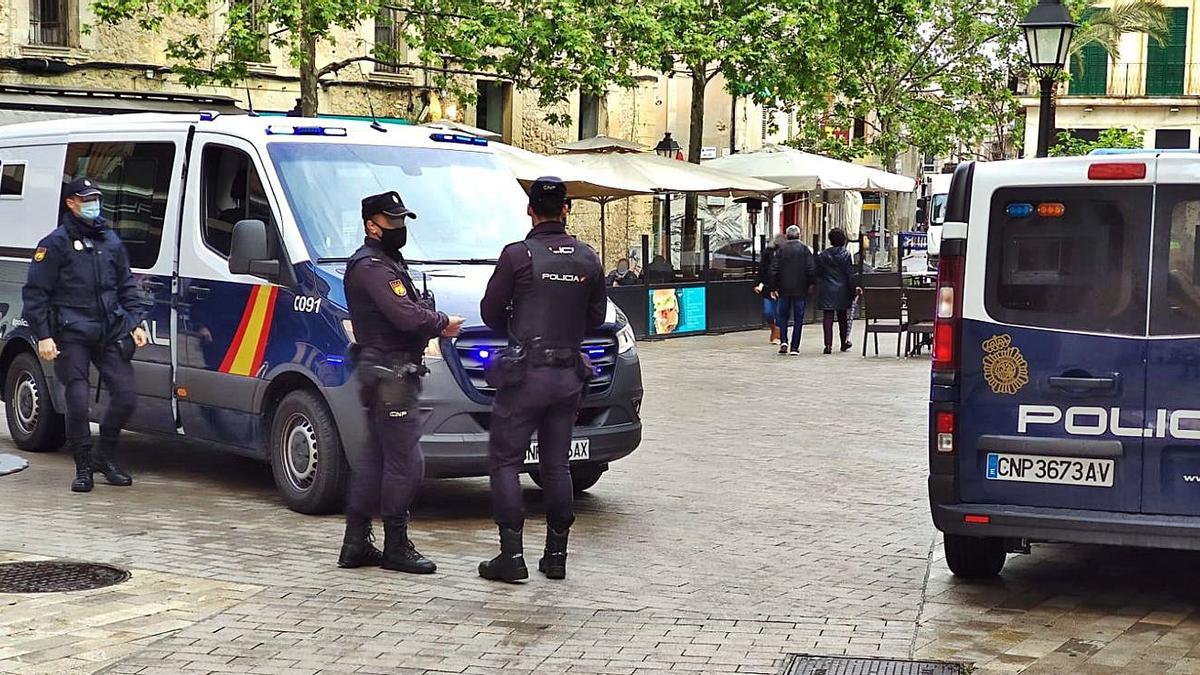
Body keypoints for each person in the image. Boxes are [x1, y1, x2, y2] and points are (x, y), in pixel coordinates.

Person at [478, 176, 605, 583]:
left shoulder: (517, 256)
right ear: (566, 210)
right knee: (556, 465)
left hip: (525, 375)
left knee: (505, 461)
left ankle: (511, 557)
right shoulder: (588, 257)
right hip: (568, 375)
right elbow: (596, 319)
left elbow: (490, 313)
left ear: (530, 210)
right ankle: (556, 556)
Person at [338, 190, 465, 574]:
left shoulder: (387, 261)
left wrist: (426, 312)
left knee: (375, 460)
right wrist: (442, 323)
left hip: (387, 370)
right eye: (392, 222)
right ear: (370, 226)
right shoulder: (371, 266)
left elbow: (412, 308)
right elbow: (406, 317)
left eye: (403, 221)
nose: (400, 227)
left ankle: (356, 543)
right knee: (406, 461)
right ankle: (395, 545)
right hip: (389, 373)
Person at [23, 178, 149, 493]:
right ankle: (83, 467)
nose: (93, 203)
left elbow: (126, 287)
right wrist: (43, 335)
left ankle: (104, 455)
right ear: (71, 203)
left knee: (126, 396)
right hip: (70, 333)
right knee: (77, 402)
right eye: (86, 199)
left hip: (109, 330)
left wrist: (135, 322)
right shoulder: (55, 244)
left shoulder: (110, 241)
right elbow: (36, 293)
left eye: (96, 198)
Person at [768, 225, 815, 356]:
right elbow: (811, 268)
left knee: (782, 316)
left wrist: (773, 287)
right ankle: (795, 347)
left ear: (786, 235)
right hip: (800, 289)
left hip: (784, 289)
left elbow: (773, 269)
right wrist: (811, 283)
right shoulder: (805, 250)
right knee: (798, 318)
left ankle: (783, 340)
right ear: (799, 235)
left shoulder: (781, 250)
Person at [816, 228, 858, 355]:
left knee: (827, 317)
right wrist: (853, 290)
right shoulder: (846, 255)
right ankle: (844, 342)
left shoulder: (823, 255)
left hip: (827, 288)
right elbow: (849, 275)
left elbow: (818, 272)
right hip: (842, 289)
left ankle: (828, 345)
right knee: (842, 317)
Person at [754, 234, 785, 345]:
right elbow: (762, 269)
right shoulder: (768, 253)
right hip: (768, 287)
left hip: (781, 288)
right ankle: (774, 330)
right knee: (768, 312)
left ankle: (778, 334)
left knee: (779, 313)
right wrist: (758, 283)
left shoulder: (786, 254)